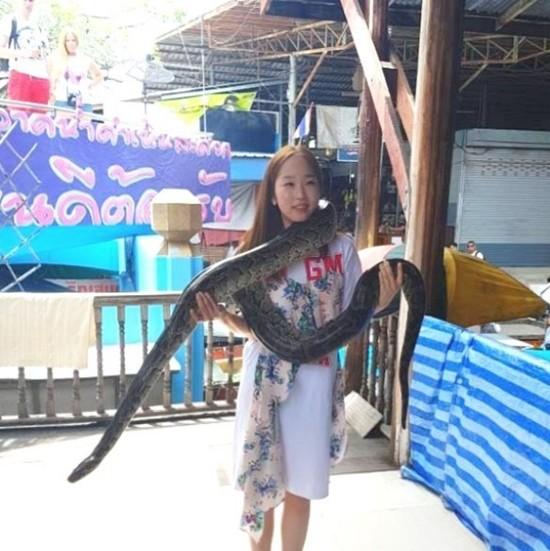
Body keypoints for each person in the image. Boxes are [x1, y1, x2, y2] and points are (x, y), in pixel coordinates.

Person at [191, 144, 403, 551]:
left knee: (300, 487)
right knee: (262, 480)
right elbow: (251, 328)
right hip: (264, 382)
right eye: (288, 184)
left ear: (320, 189)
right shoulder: (249, 254)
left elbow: (349, 316)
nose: (300, 194)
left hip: (315, 381)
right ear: (272, 193)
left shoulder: (340, 248)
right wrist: (218, 316)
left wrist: (379, 302)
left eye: (308, 183)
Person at [0, 0, 50, 108]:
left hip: (42, 78)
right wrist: (26, 53)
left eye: (31, 0)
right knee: (19, 115)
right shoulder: (11, 20)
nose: (28, 3)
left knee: (40, 117)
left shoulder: (39, 25)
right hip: (21, 75)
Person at [49, 27, 103, 112]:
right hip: (63, 101)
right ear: (64, 43)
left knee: (84, 121)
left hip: (83, 102)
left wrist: (90, 85)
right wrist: (51, 93)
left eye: (73, 40)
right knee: (64, 121)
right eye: (67, 40)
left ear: (77, 42)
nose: (71, 43)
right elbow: (52, 79)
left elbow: (99, 75)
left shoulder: (84, 59)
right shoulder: (57, 59)